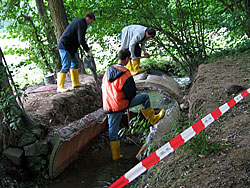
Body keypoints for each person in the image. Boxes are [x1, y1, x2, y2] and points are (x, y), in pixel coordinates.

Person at [102, 49, 165, 161]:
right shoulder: (126, 73)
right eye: (129, 59)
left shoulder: (108, 71)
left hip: (108, 105)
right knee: (145, 97)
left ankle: (115, 157)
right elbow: (131, 92)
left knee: (113, 131)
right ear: (127, 59)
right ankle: (153, 119)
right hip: (120, 104)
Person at [57, 12, 95, 92]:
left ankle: (75, 83)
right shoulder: (81, 24)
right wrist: (87, 50)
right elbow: (81, 40)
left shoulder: (80, 22)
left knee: (75, 63)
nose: (90, 24)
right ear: (87, 18)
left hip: (71, 48)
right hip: (65, 46)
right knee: (66, 65)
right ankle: (60, 87)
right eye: (91, 22)